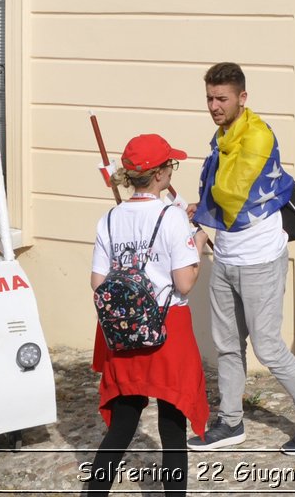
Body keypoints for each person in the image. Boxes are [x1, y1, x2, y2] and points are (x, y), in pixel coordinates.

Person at [188, 62, 295, 454]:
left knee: (268, 347)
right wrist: (202, 211)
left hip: (260, 256)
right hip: (226, 255)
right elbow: (216, 194)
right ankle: (231, 422)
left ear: (242, 98)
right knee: (228, 344)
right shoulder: (223, 136)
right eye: (209, 98)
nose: (214, 106)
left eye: (222, 98)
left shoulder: (256, 136)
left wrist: (203, 208)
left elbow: (231, 194)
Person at [87, 135, 208, 496]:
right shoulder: (172, 218)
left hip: (125, 331)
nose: (172, 169)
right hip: (167, 328)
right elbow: (184, 283)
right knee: (172, 428)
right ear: (158, 176)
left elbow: (98, 283)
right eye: (170, 164)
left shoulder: (108, 219)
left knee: (123, 424)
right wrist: (197, 245)